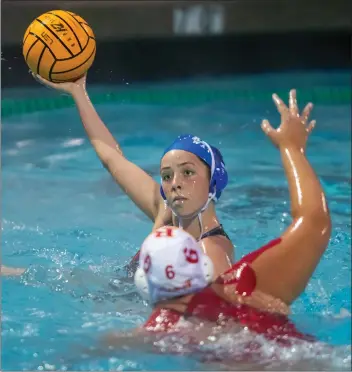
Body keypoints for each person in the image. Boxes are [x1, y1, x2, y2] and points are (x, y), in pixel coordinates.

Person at [33, 72, 331, 306]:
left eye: (188, 173)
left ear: (213, 181)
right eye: (166, 176)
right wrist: (78, 92)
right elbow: (112, 158)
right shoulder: (164, 211)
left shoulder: (211, 250)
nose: (174, 183)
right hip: (113, 296)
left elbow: (215, 313)